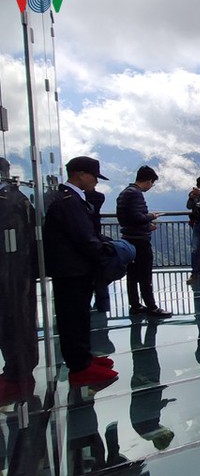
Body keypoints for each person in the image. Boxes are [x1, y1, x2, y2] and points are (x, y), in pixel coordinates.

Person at [43, 156, 118, 385]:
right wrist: (105, 252)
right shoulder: (68, 201)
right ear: (81, 174)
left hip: (74, 268)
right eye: (94, 176)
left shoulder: (71, 198)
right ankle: (79, 366)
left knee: (79, 315)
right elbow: (84, 237)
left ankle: (84, 358)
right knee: (73, 317)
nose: (96, 182)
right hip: (71, 269)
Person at [117, 165, 172, 318]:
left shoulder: (124, 193)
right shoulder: (136, 194)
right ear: (148, 181)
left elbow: (127, 218)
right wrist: (150, 217)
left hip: (129, 238)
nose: (151, 186)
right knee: (145, 275)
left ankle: (135, 304)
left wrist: (146, 225)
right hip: (139, 241)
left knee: (133, 275)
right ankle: (151, 306)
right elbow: (137, 217)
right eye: (152, 183)